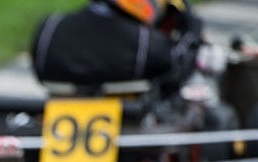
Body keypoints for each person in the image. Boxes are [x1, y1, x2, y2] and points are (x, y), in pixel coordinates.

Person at [30, 0, 204, 95]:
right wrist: (192, 34)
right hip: (131, 115)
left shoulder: (50, 28)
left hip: (60, 103)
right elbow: (176, 67)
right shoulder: (149, 46)